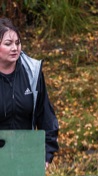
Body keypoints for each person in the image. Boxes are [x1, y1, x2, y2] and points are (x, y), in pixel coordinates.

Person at [0, 18, 59, 168]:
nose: (15, 48)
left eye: (18, 43)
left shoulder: (32, 72)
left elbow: (45, 115)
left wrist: (46, 153)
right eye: (8, 44)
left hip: (25, 157)